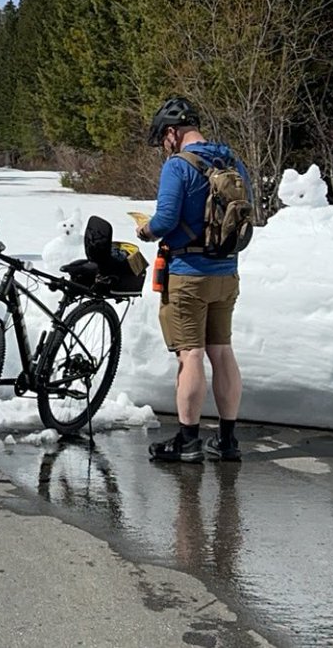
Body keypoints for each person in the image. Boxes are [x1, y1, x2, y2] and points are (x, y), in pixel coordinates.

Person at [137, 97, 249, 463]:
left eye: (162, 139)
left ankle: (188, 440)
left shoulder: (178, 166)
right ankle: (228, 440)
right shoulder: (231, 160)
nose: (163, 147)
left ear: (173, 132)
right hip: (226, 272)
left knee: (192, 354)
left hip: (188, 275)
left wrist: (146, 230)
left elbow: (166, 219)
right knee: (222, 350)